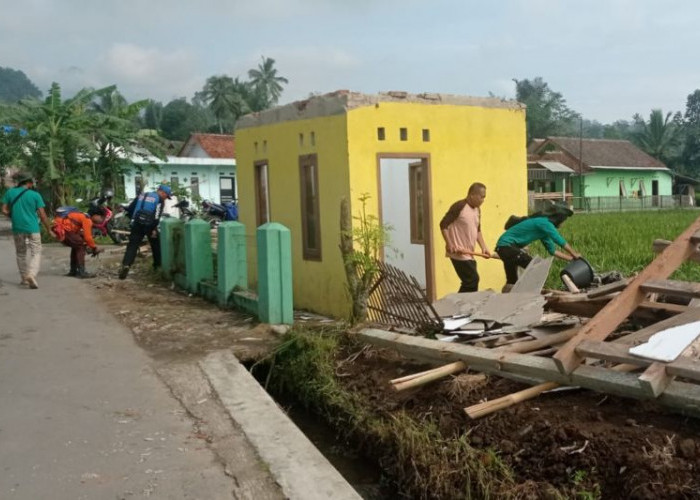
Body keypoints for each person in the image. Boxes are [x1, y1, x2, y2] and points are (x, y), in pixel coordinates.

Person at [495, 202, 582, 286]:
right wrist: (574, 253)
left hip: (504, 248)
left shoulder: (543, 231)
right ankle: (532, 294)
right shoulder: (544, 223)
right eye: (563, 220)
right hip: (507, 247)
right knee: (536, 267)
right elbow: (559, 240)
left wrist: (571, 258)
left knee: (512, 281)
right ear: (559, 218)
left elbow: (553, 251)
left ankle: (508, 297)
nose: (563, 223)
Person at [1, 173, 52, 289]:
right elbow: (42, 215)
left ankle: (24, 279)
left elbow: (4, 210)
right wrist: (49, 229)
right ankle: (31, 274)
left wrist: (12, 216)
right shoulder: (35, 195)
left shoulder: (10, 192)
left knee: (20, 253)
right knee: (36, 252)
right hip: (33, 228)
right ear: (28, 183)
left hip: (17, 228)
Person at [439, 182, 491, 293]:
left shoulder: (477, 210)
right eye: (481, 197)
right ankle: (461, 306)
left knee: (471, 283)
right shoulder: (459, 206)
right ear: (472, 195)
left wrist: (484, 247)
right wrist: (449, 243)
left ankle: (467, 307)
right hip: (458, 252)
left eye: (484, 197)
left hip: (469, 253)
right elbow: (443, 224)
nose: (483, 200)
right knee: (472, 280)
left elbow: (477, 230)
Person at [118, 184, 172, 279]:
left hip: (137, 223)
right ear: (162, 192)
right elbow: (157, 216)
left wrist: (130, 217)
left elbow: (130, 208)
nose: (166, 198)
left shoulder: (142, 195)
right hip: (149, 224)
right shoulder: (159, 200)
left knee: (132, 245)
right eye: (166, 196)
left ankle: (126, 265)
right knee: (156, 244)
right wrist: (154, 229)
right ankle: (157, 266)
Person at [51, 207, 105, 278]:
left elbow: (78, 231)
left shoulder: (81, 215)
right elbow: (88, 237)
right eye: (101, 217)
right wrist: (94, 248)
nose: (102, 220)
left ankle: (73, 271)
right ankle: (81, 272)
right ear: (96, 215)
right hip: (64, 230)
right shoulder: (87, 219)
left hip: (59, 229)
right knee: (80, 245)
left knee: (76, 246)